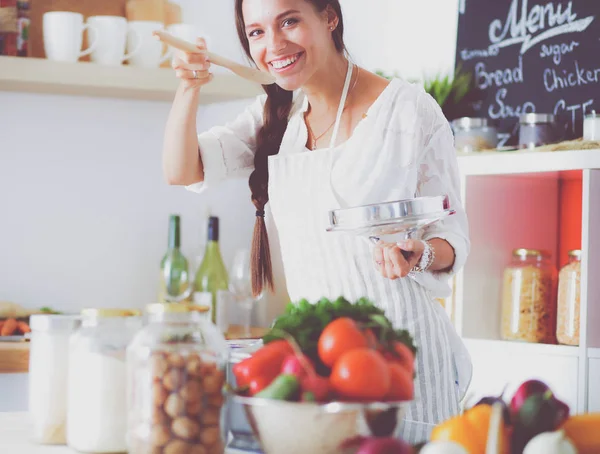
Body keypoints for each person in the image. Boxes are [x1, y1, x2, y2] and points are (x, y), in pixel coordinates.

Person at [162, 0, 472, 442]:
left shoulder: (407, 110)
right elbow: (181, 169)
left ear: (330, 16)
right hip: (322, 364)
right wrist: (187, 88)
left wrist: (419, 253)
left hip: (405, 364)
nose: (274, 45)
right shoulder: (275, 115)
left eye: (289, 21)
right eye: (256, 33)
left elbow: (452, 238)